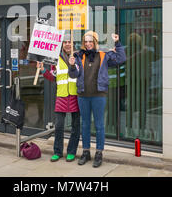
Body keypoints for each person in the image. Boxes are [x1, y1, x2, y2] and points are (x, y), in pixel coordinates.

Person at [68, 31, 126, 167]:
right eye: (86, 41)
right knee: (85, 125)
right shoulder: (78, 55)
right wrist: (71, 65)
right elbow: (73, 75)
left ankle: (99, 153)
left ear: (95, 41)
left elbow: (121, 59)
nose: (88, 44)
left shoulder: (103, 54)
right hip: (83, 96)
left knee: (99, 125)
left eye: (90, 41)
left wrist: (117, 43)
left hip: (98, 95)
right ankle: (86, 152)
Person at [37, 34, 80, 162]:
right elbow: (53, 77)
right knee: (59, 126)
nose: (67, 44)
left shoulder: (78, 57)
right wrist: (43, 70)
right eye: (65, 42)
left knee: (75, 126)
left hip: (75, 96)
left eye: (69, 42)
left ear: (73, 44)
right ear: (62, 44)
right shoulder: (56, 59)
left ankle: (71, 151)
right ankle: (57, 151)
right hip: (61, 96)